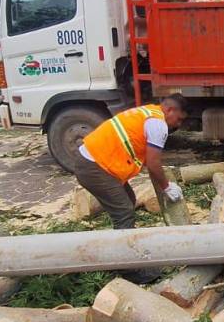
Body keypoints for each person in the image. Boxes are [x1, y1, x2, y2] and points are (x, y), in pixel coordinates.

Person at [76, 94, 188, 230]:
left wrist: (163, 182)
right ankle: (123, 248)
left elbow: (150, 161)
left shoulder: (149, 112)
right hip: (94, 165)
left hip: (94, 161)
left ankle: (126, 238)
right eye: (179, 119)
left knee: (129, 199)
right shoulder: (158, 124)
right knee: (124, 212)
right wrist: (167, 187)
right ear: (171, 110)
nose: (178, 124)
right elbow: (153, 164)